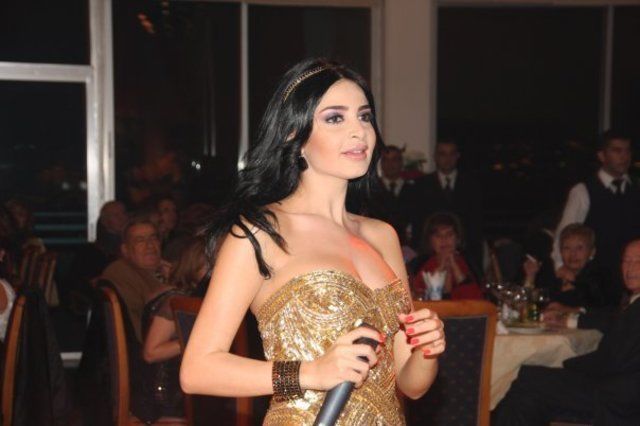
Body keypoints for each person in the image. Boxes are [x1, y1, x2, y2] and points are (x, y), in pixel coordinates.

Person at [180, 58, 445, 425]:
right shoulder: (260, 232)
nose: (359, 132)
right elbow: (197, 370)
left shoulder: (382, 235)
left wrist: (427, 350)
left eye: (364, 116)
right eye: (335, 118)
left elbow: (410, 386)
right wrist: (311, 372)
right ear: (295, 135)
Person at [493, 239, 640, 425]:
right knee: (527, 397)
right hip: (619, 389)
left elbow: (612, 360)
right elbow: (612, 321)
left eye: (638, 261)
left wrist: (566, 363)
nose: (630, 267)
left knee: (526, 378)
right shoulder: (634, 302)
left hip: (619, 398)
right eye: (626, 261)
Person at [553, 130, 640, 305]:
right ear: (602, 155)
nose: (624, 157)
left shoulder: (636, 189)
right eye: (617, 150)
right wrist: (560, 266)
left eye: (627, 151)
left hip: (632, 277)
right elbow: (565, 233)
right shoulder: (583, 191)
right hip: (597, 284)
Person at [411, 139, 483, 276]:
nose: (447, 159)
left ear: (457, 156)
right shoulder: (422, 184)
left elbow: (476, 222)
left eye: (451, 154)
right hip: (430, 253)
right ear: (435, 157)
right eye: (442, 154)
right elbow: (418, 222)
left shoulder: (471, 184)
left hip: (465, 253)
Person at [102, 217, 171, 342]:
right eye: (140, 240)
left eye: (153, 238)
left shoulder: (166, 270)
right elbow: (137, 324)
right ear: (125, 250)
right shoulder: (120, 272)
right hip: (147, 345)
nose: (150, 245)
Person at [527, 224, 611, 309]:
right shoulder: (555, 274)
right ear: (560, 252)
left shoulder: (600, 276)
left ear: (592, 252)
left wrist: (574, 282)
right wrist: (530, 277)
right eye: (567, 248)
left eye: (579, 248)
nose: (573, 254)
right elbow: (533, 305)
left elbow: (599, 307)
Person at [412, 212, 483, 300]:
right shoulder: (421, 265)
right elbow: (417, 297)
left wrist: (456, 269)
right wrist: (439, 270)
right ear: (430, 241)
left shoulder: (468, 263)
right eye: (438, 235)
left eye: (449, 234)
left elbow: (477, 300)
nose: (444, 239)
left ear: (457, 239)